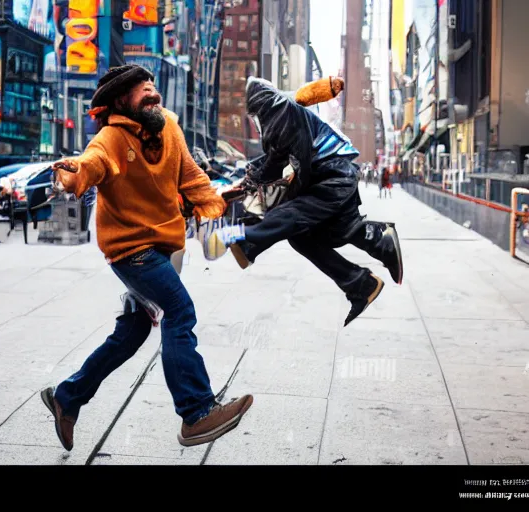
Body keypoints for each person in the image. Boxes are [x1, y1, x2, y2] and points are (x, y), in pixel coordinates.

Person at [40, 65, 253, 451]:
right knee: (180, 311)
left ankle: (67, 397)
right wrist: (70, 174)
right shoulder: (110, 139)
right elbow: (89, 166)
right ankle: (197, 413)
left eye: (152, 85)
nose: (152, 92)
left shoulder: (169, 127)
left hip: (162, 247)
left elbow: (191, 177)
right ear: (122, 101)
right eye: (142, 89)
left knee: (134, 331)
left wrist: (217, 200)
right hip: (131, 250)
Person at [206, 77, 404, 327]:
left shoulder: (286, 113)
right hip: (334, 176)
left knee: (293, 215)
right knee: (308, 235)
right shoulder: (281, 120)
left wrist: (275, 208)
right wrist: (247, 182)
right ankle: (363, 279)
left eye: (256, 115)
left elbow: (301, 170)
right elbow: (273, 164)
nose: (256, 122)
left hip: (333, 176)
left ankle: (243, 239)